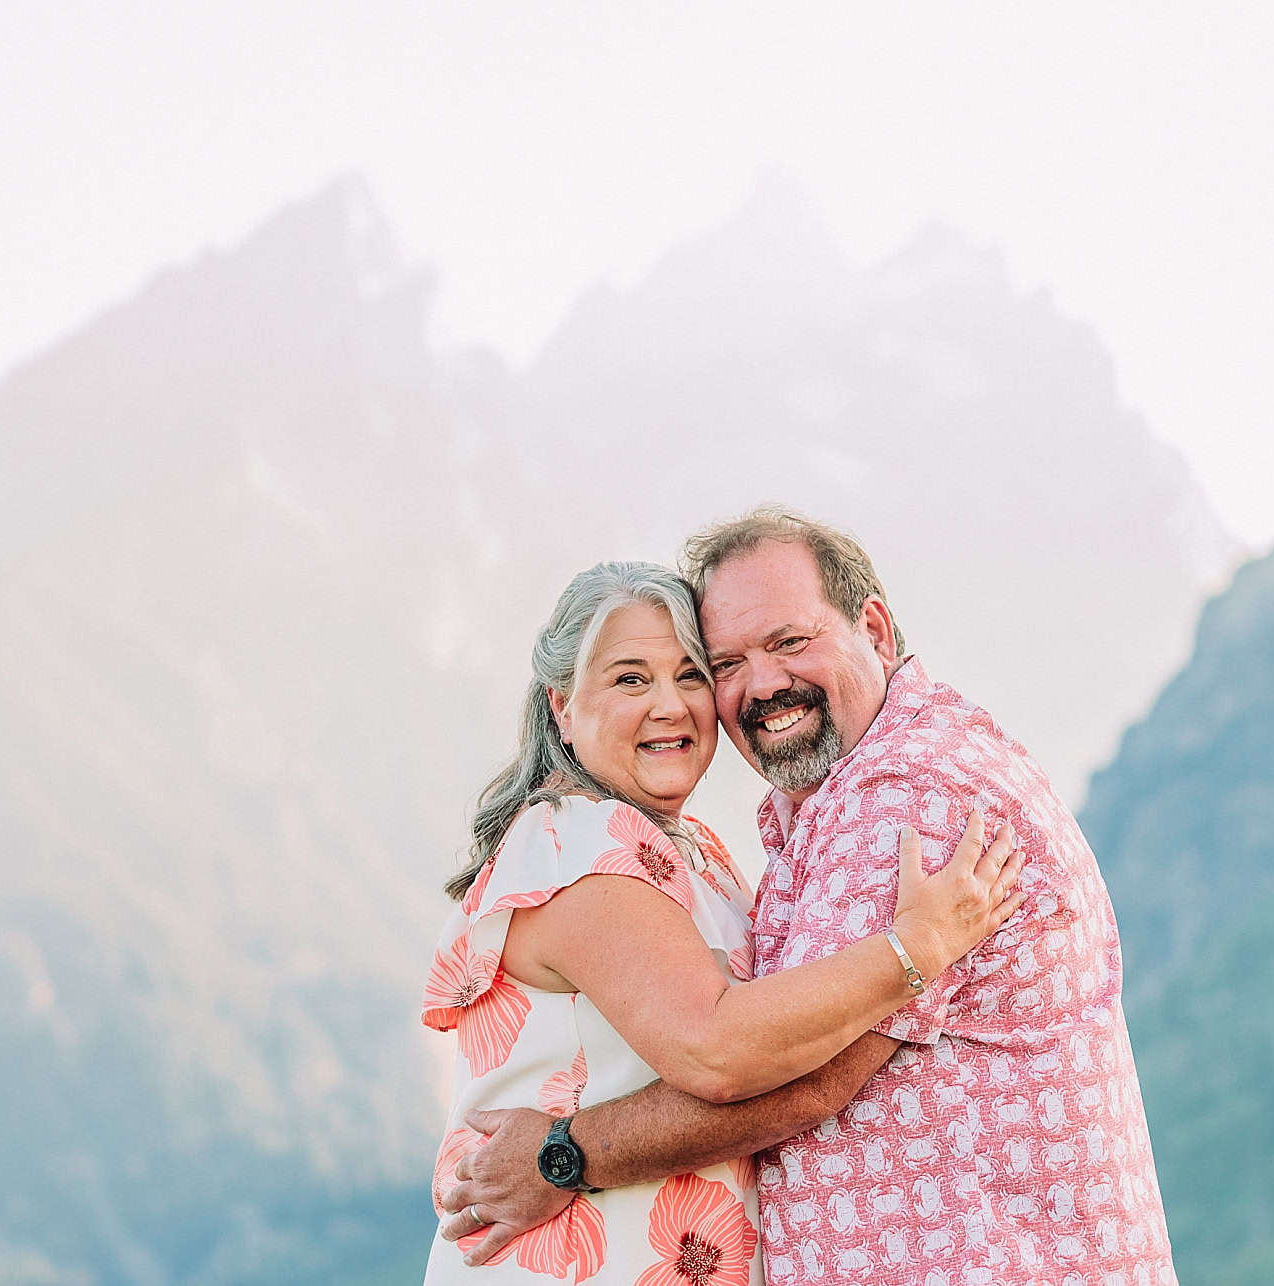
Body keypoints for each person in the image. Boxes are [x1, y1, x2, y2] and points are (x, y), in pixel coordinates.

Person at [440, 509, 1178, 1285]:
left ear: (876, 630)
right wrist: (912, 950)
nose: (758, 684)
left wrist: (562, 1155)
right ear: (562, 705)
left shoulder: (904, 796)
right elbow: (735, 1050)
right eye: (724, 663)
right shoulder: (577, 846)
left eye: (786, 643)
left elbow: (800, 1076)